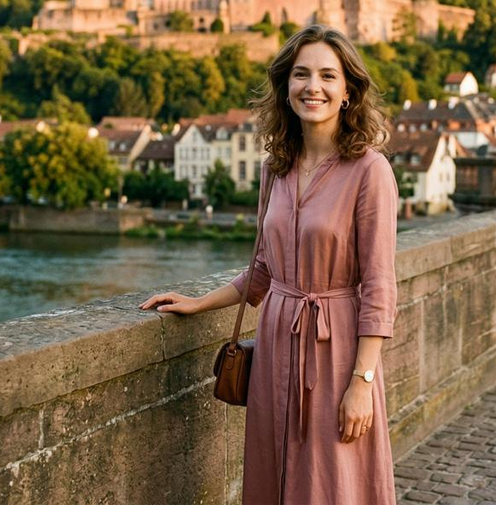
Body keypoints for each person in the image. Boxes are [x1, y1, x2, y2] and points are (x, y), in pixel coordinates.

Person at [139, 25, 399, 504]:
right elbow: (261, 272)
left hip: (335, 348)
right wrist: (198, 304)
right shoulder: (275, 167)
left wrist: (362, 382)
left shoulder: (369, 171)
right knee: (272, 473)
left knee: (332, 480)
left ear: (347, 91)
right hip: (276, 341)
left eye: (327, 75)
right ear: (286, 86)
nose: (312, 87)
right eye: (301, 75)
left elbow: (380, 288)